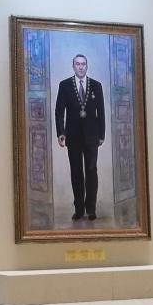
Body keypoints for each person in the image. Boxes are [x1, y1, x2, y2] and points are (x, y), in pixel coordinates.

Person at [55, 54, 105, 221]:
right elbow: (59, 111)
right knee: (76, 172)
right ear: (73, 66)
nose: (81, 67)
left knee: (91, 170)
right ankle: (79, 209)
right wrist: (61, 132)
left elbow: (101, 112)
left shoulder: (96, 86)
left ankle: (91, 209)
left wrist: (101, 134)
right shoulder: (65, 85)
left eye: (83, 64)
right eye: (78, 64)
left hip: (92, 136)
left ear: (87, 66)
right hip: (73, 136)